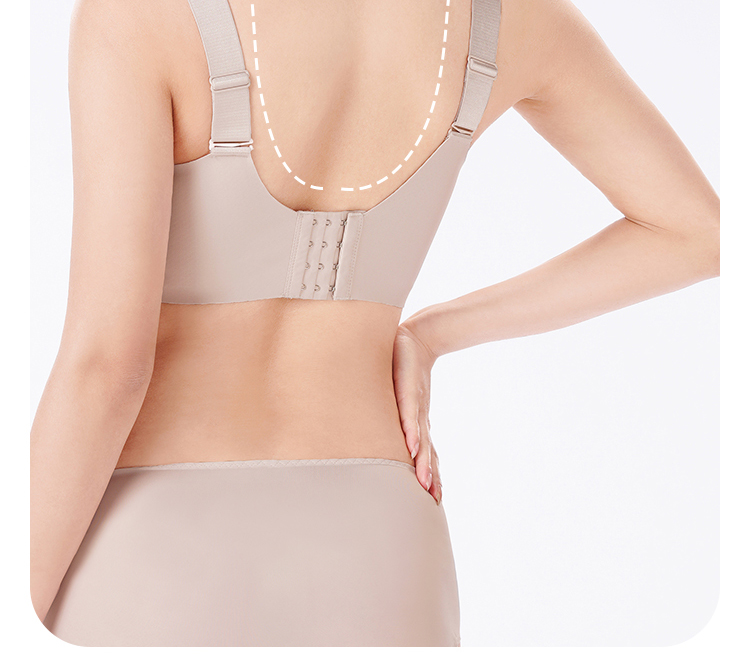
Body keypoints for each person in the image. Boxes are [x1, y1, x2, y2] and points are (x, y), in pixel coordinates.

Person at [30, 0, 719, 647]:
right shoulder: (509, 18)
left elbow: (107, 370)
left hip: (153, 548)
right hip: (383, 550)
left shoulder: (139, 16)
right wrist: (431, 334)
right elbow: (700, 232)